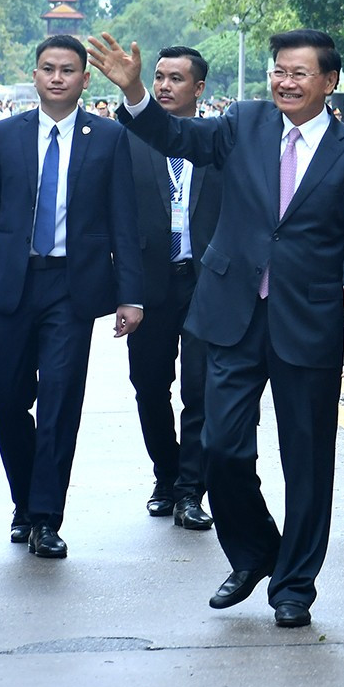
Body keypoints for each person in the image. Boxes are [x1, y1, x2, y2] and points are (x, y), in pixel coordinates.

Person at [89, 28, 344, 630]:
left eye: (299, 73)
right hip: (232, 314)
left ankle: (295, 585)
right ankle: (255, 551)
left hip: (306, 323)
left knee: (307, 462)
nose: (285, 82)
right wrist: (134, 92)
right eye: (279, 70)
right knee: (222, 449)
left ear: (329, 81)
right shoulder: (244, 123)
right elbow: (175, 136)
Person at [0, 35, 146, 559]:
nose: (57, 77)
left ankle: (46, 516)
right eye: (48, 68)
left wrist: (131, 294)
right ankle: (25, 500)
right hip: (11, 284)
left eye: (68, 70)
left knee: (59, 400)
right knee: (5, 399)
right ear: (34, 75)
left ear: (84, 79)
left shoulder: (108, 137)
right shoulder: (3, 136)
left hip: (71, 288)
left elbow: (124, 219)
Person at [124, 46, 223, 530]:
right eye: (159, 77)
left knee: (200, 391)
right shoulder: (131, 139)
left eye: (176, 79)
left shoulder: (220, 142)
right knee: (149, 387)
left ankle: (189, 490)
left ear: (198, 88)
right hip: (150, 286)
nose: (164, 86)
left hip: (204, 286)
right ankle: (166, 474)